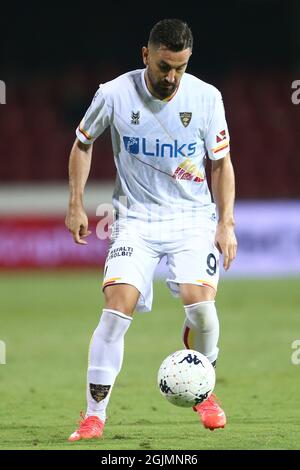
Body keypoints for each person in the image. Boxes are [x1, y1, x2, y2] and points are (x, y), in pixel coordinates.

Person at [66, 18, 237, 441]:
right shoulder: (114, 94)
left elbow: (221, 163)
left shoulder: (206, 97)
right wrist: (75, 203)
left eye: (179, 67)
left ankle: (205, 392)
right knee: (115, 309)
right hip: (136, 220)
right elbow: (82, 143)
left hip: (192, 218)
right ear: (146, 55)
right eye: (164, 66)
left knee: (202, 309)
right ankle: (93, 416)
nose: (171, 76)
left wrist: (225, 222)